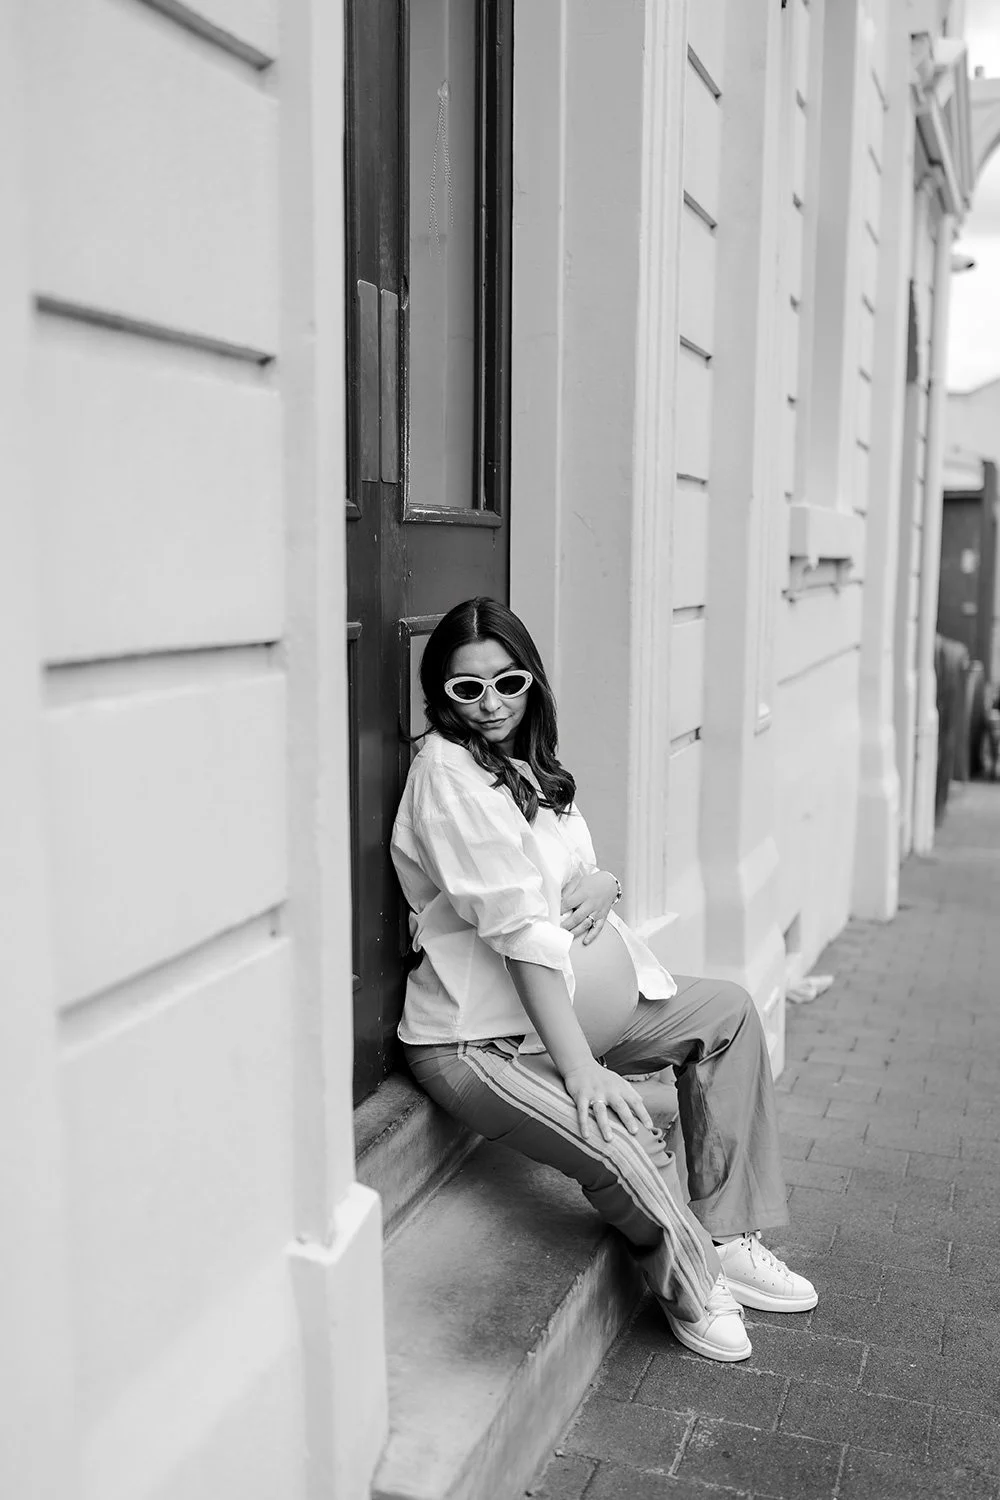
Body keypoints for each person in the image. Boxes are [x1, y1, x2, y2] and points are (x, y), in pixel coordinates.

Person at [391, 597, 817, 1363]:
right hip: (479, 1044)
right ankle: (691, 1283)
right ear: (441, 694)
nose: (491, 704)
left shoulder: (527, 764)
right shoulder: (447, 779)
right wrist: (582, 1071)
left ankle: (726, 1238)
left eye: (508, 682)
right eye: (467, 689)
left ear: (532, 683)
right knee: (617, 1130)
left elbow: (572, 875)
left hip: (571, 1018)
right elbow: (521, 935)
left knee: (727, 1012)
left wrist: (609, 881)